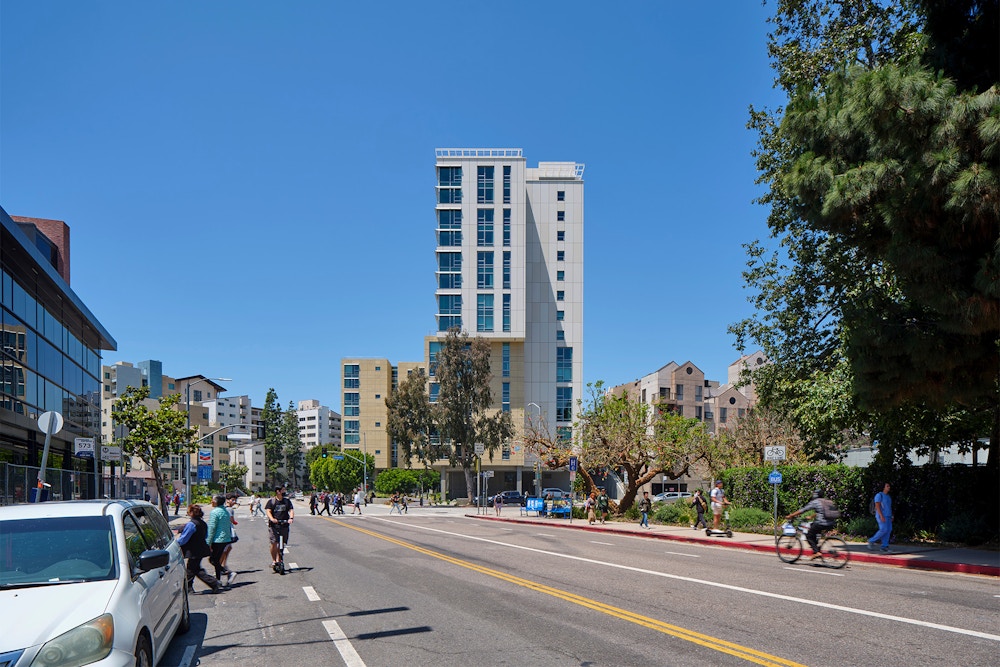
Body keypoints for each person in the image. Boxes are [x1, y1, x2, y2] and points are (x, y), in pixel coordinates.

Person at [174, 504, 221, 594]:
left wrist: (175, 544)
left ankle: (213, 583)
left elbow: (184, 538)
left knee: (192, 569)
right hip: (201, 548)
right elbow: (206, 536)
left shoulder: (191, 524)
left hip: (193, 550)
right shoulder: (202, 523)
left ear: (191, 513)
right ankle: (190, 587)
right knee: (194, 569)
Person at [786, 489, 838, 559]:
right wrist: (811, 517)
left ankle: (816, 552)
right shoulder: (826, 501)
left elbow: (803, 510)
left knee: (809, 536)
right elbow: (820, 512)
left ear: (815, 495)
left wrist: (791, 515)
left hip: (821, 523)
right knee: (813, 528)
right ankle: (817, 548)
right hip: (831, 523)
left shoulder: (816, 502)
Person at [206, 495, 235, 587]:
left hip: (217, 539)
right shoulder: (225, 511)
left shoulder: (215, 512)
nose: (211, 501)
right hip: (225, 538)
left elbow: (212, 528)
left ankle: (228, 572)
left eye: (213, 500)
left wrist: (208, 542)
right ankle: (218, 580)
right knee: (217, 560)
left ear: (216, 502)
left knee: (213, 560)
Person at [265, 485, 295, 571]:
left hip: (284, 525)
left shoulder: (287, 501)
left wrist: (291, 518)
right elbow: (268, 511)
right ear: (278, 491)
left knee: (282, 543)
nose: (284, 491)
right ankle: (274, 560)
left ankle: (279, 559)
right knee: (274, 543)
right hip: (274, 526)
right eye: (283, 490)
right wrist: (272, 519)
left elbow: (291, 510)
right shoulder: (271, 501)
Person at [868, 482, 894, 553]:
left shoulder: (888, 496)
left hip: (888, 516)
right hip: (881, 515)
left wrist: (892, 515)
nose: (889, 487)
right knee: (883, 529)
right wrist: (881, 515)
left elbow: (889, 507)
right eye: (887, 486)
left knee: (888, 530)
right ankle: (871, 540)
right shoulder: (879, 495)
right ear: (883, 487)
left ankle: (884, 546)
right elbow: (877, 506)